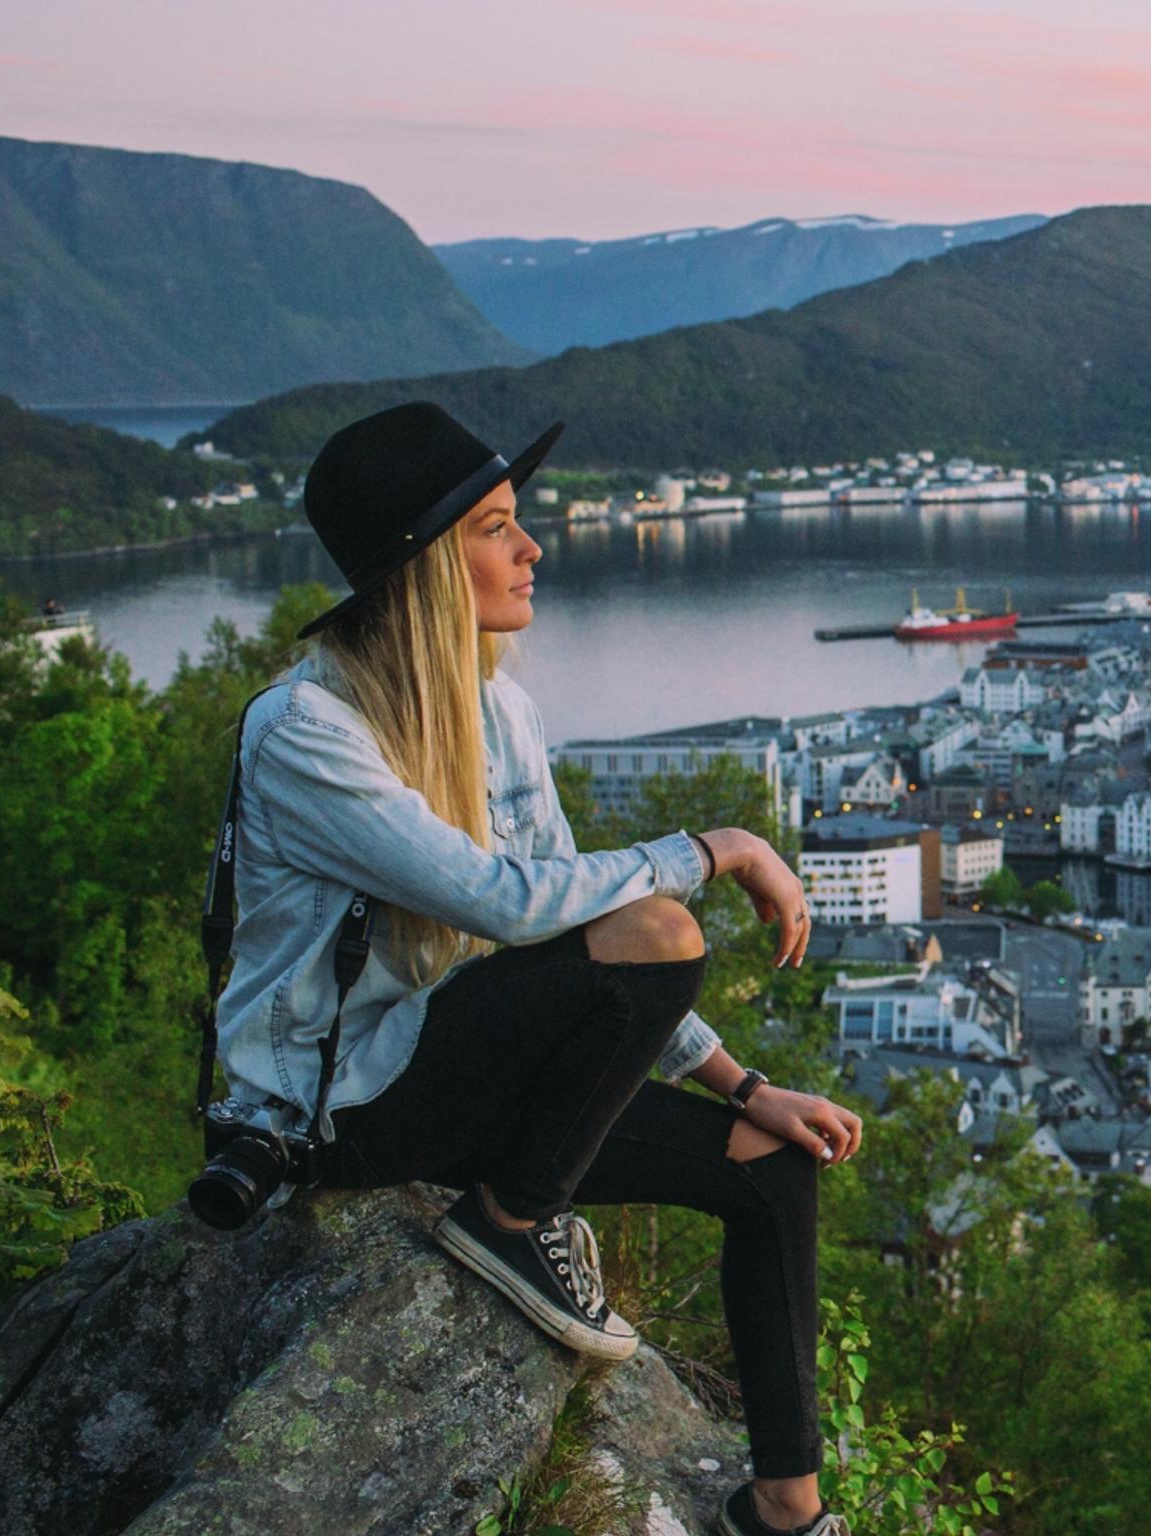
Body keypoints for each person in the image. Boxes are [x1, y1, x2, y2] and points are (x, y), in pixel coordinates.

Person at [215, 401, 862, 1536]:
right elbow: (506, 904)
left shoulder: (493, 707)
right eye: (498, 528)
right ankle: (513, 1223)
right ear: (423, 567)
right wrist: (716, 849)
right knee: (664, 925)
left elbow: (575, 928)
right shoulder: (305, 732)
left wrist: (748, 1090)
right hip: (347, 1108)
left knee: (771, 1162)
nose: (533, 549)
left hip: (468, 1072)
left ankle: (783, 1511)